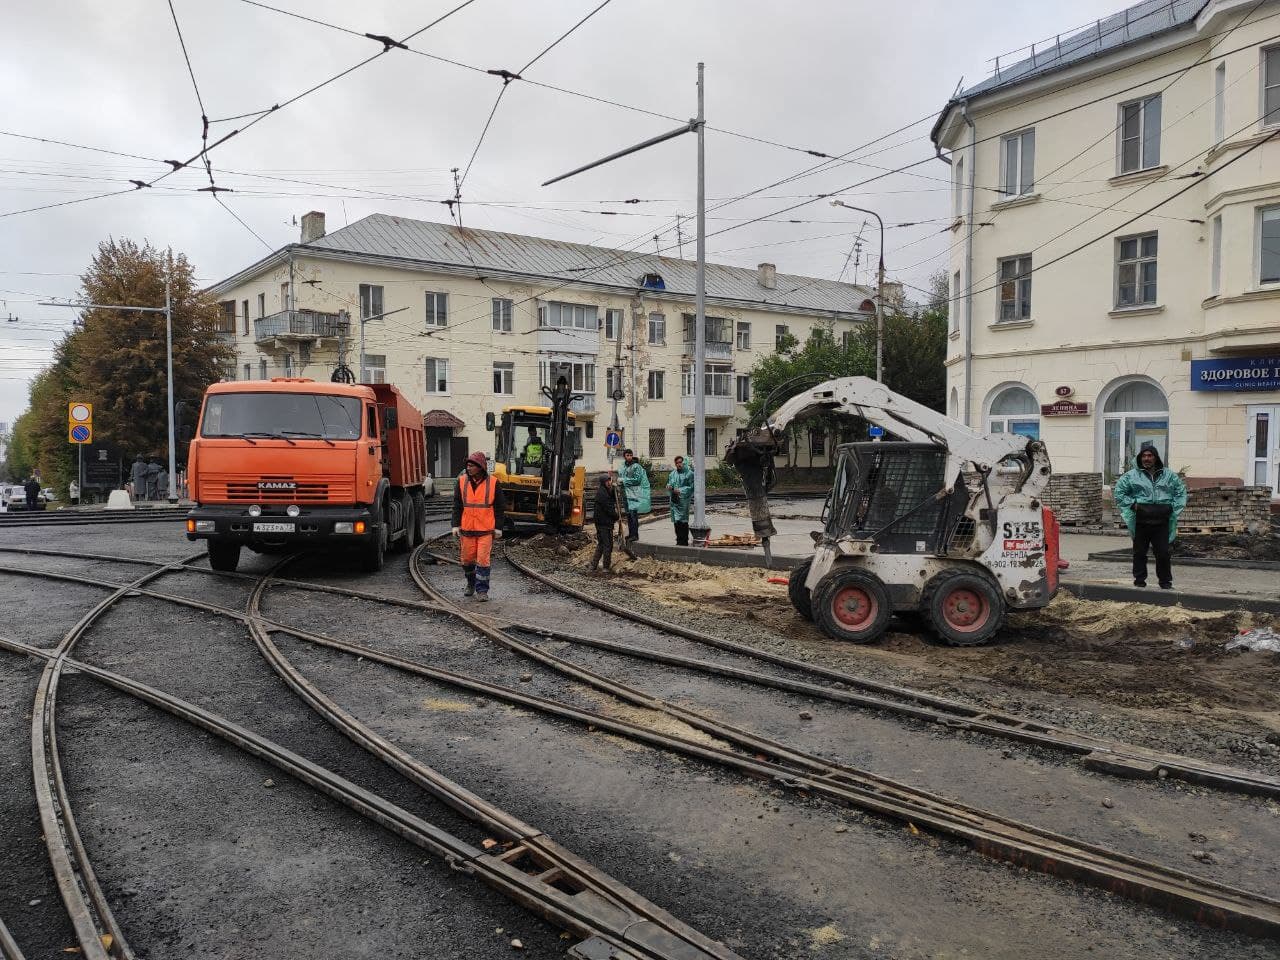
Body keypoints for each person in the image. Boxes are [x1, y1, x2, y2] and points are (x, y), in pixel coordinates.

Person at [1113, 444, 1187, 590]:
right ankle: (1139, 580)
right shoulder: (1131, 476)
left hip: (1162, 520)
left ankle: (1165, 582)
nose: (1147, 459)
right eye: (1144, 456)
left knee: (1163, 552)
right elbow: (1119, 493)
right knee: (1139, 552)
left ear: (1156, 457)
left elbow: (1180, 492)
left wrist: (1172, 507)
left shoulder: (1169, 475)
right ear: (1140, 458)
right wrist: (1133, 505)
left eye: (1150, 455)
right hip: (1141, 520)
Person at [450, 451, 505, 601]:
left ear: (480, 467)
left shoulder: (493, 483)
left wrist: (498, 527)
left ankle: (482, 591)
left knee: (483, 560)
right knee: (466, 560)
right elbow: (457, 505)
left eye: (471, 465)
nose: (468, 468)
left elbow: (500, 507)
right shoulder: (461, 482)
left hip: (485, 530)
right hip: (467, 529)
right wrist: (455, 525)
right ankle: (471, 583)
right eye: (467, 465)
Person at [588, 472, 619, 573]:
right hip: (604, 523)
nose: (609, 482)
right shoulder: (602, 494)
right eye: (607, 481)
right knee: (607, 545)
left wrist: (615, 491)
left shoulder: (605, 491)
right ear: (603, 482)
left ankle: (593, 565)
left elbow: (612, 499)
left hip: (602, 523)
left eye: (610, 480)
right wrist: (616, 516)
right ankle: (606, 567)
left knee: (601, 544)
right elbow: (609, 508)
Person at [619, 448, 651, 543]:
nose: (629, 457)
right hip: (626, 495)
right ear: (624, 456)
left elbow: (637, 479)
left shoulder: (636, 466)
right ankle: (631, 534)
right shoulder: (623, 467)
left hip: (634, 495)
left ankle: (635, 535)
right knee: (628, 515)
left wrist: (623, 481)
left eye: (630, 455)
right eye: (627, 455)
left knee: (633, 515)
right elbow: (622, 477)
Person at [666, 455, 696, 546]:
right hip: (674, 500)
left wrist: (681, 490)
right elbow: (670, 482)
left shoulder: (689, 473)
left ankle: (684, 541)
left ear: (683, 462)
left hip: (683, 501)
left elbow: (692, 487)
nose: (679, 464)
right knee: (676, 521)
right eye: (677, 463)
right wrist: (669, 486)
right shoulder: (672, 474)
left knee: (683, 521)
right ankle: (679, 540)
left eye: (680, 462)